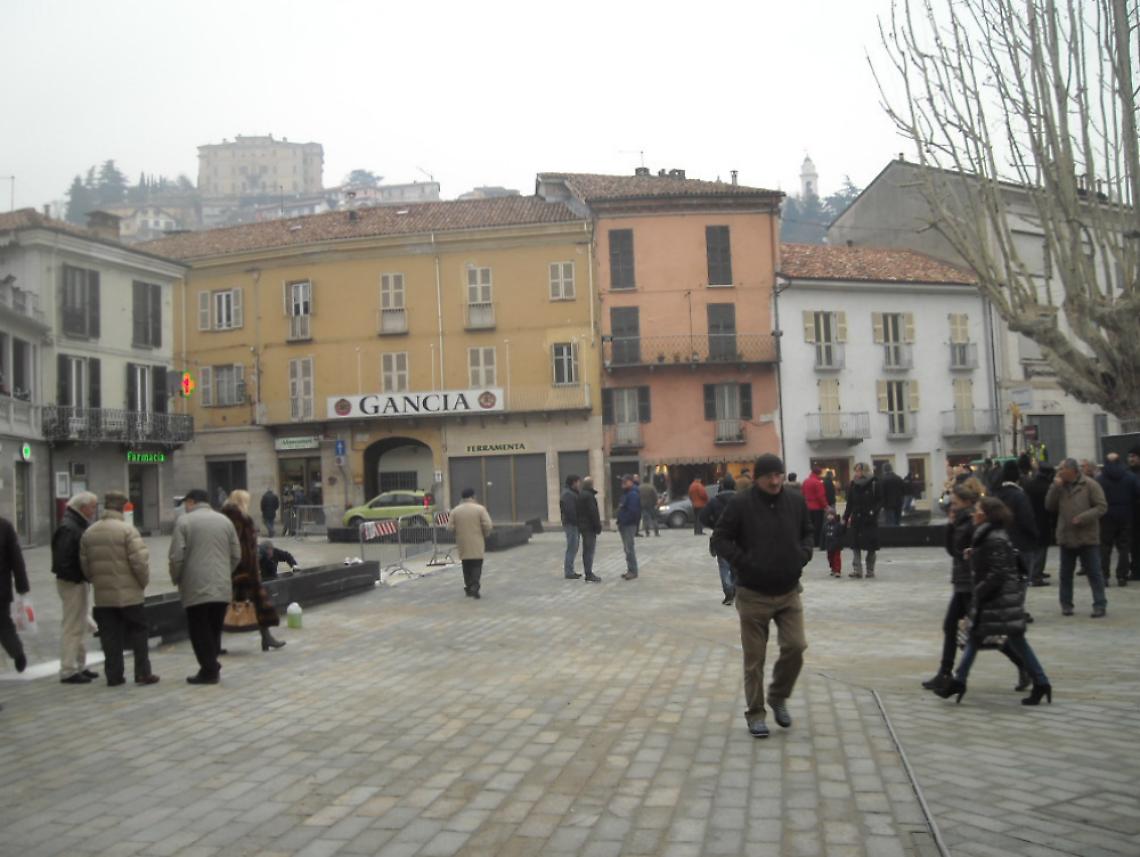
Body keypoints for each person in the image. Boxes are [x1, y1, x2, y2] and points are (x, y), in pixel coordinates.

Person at [711, 453, 813, 739]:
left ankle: (778, 696)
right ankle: (756, 714)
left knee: (796, 646)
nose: (775, 480)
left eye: (779, 474)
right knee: (754, 660)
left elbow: (808, 532)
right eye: (769, 475)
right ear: (757, 478)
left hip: (789, 592)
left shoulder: (795, 501)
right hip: (753, 594)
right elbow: (720, 538)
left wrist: (802, 556)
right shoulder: (740, 504)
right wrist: (744, 563)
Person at [933, 497, 1053, 706]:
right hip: (996, 597)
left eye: (978, 510)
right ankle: (960, 681)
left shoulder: (994, 537)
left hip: (998, 599)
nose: (974, 513)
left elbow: (997, 572)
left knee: (1008, 640)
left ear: (987, 515)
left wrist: (979, 590)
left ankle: (1040, 682)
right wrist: (975, 554)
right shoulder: (988, 534)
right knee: (979, 638)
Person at [922, 479, 1027, 693]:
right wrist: (951, 526)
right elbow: (953, 551)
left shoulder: (972, 522)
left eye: (955, 503)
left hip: (971, 584)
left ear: (966, 502)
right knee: (952, 626)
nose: (951, 506)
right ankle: (945, 673)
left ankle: (1023, 665)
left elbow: (970, 552)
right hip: (962, 583)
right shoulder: (959, 521)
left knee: (986, 631)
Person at [79, 491, 159, 687]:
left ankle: (114, 675)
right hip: (130, 594)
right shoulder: (127, 531)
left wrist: (97, 581)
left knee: (110, 636)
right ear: (123, 508)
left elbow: (85, 566)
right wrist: (142, 582)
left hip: (103, 596)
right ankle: (142, 672)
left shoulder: (89, 532)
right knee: (139, 632)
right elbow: (139, 562)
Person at [169, 488, 241, 684]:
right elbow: (236, 554)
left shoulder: (184, 522)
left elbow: (176, 557)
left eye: (186, 503)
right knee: (215, 627)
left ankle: (209, 670)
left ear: (192, 502)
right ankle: (211, 664)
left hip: (195, 585)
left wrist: (177, 578)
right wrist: (225, 572)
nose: (185, 506)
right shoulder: (224, 521)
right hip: (221, 584)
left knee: (199, 629)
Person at [221, 490, 285, 652]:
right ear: (241, 501)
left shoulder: (230, 517)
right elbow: (238, 547)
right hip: (242, 570)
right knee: (229, 605)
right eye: (247, 501)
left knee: (257, 603)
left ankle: (267, 639)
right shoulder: (238, 519)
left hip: (242, 569)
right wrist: (244, 567)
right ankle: (215, 644)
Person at [1046, 458, 1108, 617]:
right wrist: (1054, 488)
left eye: (1062, 469)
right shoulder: (1059, 487)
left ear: (1072, 471)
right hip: (1066, 536)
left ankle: (1099, 604)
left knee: (1094, 573)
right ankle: (1066, 604)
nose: (1059, 472)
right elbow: (1049, 506)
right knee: (1065, 574)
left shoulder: (1089, 485)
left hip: (1087, 536)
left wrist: (1083, 517)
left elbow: (1101, 507)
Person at [51, 491, 100, 684]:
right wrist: (80, 576)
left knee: (79, 624)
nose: (94, 511)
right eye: (92, 507)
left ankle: (79, 665)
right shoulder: (70, 527)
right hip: (72, 582)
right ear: (83, 507)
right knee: (72, 625)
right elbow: (63, 560)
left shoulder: (74, 524)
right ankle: (68, 669)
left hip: (77, 581)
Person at [992, 459, 1040, 619]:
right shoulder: (1019, 496)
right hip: (1022, 543)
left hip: (1000, 543)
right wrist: (1034, 536)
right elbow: (1027, 519)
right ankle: (1017, 609)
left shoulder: (996, 495)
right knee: (1022, 579)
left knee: (1006, 580)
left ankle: (1006, 608)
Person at [1096, 452, 1140, 587]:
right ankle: (1122, 576)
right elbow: (1137, 494)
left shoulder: (1100, 479)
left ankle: (1104, 576)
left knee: (1105, 547)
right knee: (1124, 547)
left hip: (1106, 516)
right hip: (1126, 514)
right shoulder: (1131, 477)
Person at [0, 514, 30, 695]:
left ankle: (17, 652)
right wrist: (22, 587)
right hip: (1, 590)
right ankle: (17, 652)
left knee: (4, 624)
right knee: (4, 625)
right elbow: (16, 560)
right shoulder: (4, 526)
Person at [448, 487, 493, 598]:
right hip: (477, 541)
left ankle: (468, 586)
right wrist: (485, 534)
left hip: (462, 542)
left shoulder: (455, 511)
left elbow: (449, 527)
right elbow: (488, 525)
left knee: (466, 565)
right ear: (473, 496)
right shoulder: (480, 509)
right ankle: (475, 585)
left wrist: (457, 534)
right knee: (476, 565)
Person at [699, 475, 738, 605]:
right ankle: (735, 589)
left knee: (723, 566)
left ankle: (728, 592)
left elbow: (703, 517)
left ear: (722, 486)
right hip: (737, 537)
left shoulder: (715, 501)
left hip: (721, 536)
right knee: (736, 565)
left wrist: (714, 526)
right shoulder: (740, 499)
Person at [843, 463, 881, 578]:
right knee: (855, 546)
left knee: (871, 547)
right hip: (856, 519)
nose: (857, 473)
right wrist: (845, 517)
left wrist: (873, 512)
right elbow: (849, 503)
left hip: (869, 519)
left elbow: (880, 501)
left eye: (859, 471)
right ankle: (857, 570)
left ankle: (870, 570)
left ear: (865, 471)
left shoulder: (874, 483)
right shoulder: (853, 484)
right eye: (856, 471)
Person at [1022, 459, 1055, 586]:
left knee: (1035, 548)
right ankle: (1036, 575)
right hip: (1044, 520)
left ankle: (1036, 572)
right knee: (1041, 549)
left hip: (1032, 519)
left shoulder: (1030, 484)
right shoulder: (1048, 486)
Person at [576, 477, 603, 582]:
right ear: (591, 485)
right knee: (589, 550)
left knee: (586, 550)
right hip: (589, 527)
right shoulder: (589, 497)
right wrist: (598, 526)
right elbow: (593, 513)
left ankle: (588, 571)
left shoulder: (580, 495)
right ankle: (589, 573)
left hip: (583, 526)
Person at [617, 475, 641, 580]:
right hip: (624, 524)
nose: (623, 484)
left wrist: (624, 520)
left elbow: (633, 511)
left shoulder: (632, 494)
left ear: (631, 482)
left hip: (628, 525)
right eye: (622, 482)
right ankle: (630, 569)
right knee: (627, 548)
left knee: (629, 548)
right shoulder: (627, 494)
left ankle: (633, 571)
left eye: (625, 482)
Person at [560, 475, 581, 579]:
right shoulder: (568, 494)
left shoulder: (571, 493)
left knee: (574, 546)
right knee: (572, 547)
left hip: (573, 523)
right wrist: (577, 521)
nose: (579, 484)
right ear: (573, 483)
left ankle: (570, 570)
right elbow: (570, 511)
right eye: (578, 482)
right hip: (571, 524)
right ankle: (569, 571)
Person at [802, 467, 828, 549]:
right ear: (819, 473)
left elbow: (802, 493)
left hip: (807, 507)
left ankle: (809, 542)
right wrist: (826, 506)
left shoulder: (805, 481)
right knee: (818, 526)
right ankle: (817, 542)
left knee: (809, 525)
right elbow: (820, 496)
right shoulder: (818, 482)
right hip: (817, 507)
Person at [822, 507, 845, 578]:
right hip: (829, 544)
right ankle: (833, 568)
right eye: (829, 515)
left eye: (832, 515)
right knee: (830, 557)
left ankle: (838, 570)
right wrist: (822, 544)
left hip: (837, 545)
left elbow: (841, 534)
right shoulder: (825, 525)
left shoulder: (838, 524)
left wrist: (842, 524)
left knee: (837, 558)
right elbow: (823, 535)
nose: (830, 516)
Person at [1129, 446, 1140, 581]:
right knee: (1134, 545)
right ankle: (1136, 570)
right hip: (1132, 515)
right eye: (1130, 456)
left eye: (1134, 456)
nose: (1131, 459)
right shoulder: (1128, 474)